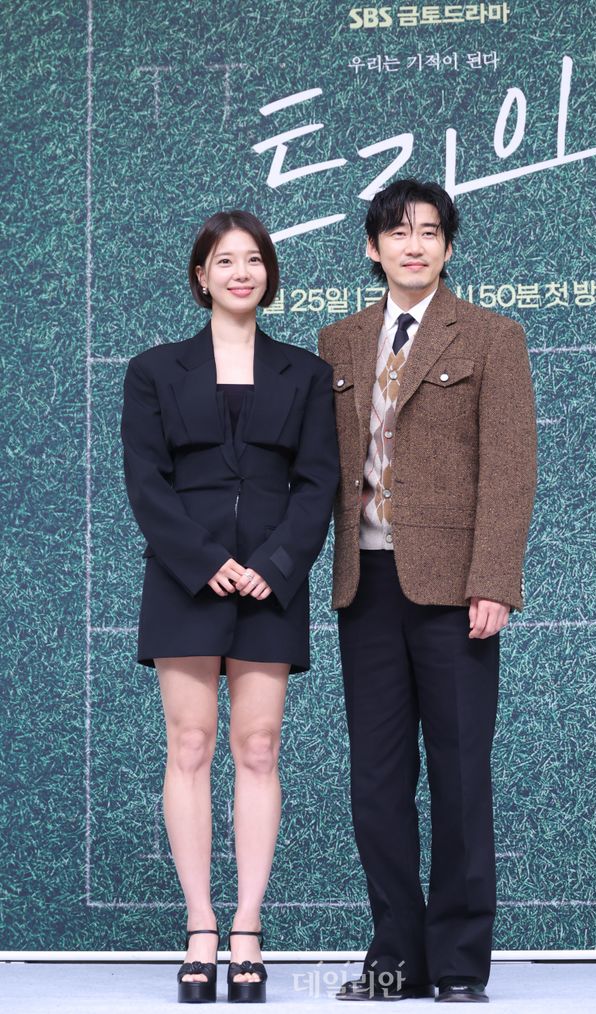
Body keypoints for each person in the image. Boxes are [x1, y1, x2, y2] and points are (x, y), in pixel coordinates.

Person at [318, 179, 537, 1004]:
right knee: (376, 784)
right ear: (372, 248)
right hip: (365, 583)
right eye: (398, 232)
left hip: (455, 588)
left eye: (430, 232)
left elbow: (510, 469)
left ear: (448, 247)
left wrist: (493, 581)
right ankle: (395, 958)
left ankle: (458, 964)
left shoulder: (491, 335)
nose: (414, 245)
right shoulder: (338, 341)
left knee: (459, 772)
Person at [120, 210, 339, 1004]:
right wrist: (206, 561)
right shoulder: (154, 370)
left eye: (253, 260)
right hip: (185, 577)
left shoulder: (306, 373)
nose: (240, 272)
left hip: (271, 582)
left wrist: (273, 565)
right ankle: (200, 928)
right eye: (224, 261)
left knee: (258, 747)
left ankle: (247, 927)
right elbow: (145, 481)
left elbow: (319, 482)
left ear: (269, 275)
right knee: (189, 744)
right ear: (201, 276)